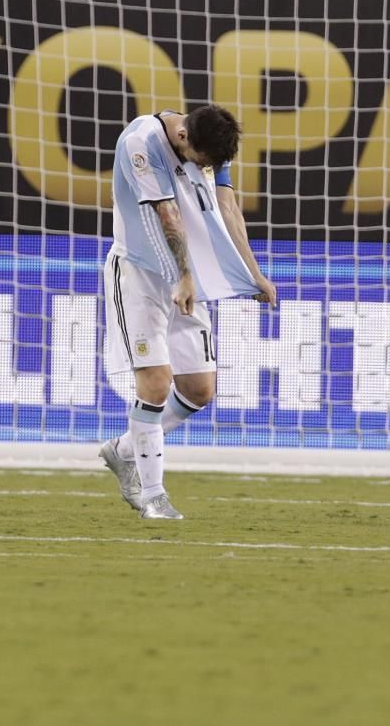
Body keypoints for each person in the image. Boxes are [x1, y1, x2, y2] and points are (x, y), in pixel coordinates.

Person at [99, 105, 277, 519]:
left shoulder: (211, 140)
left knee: (199, 390)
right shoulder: (141, 143)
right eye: (200, 163)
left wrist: (256, 275)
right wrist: (183, 276)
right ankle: (153, 495)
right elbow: (169, 217)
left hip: (187, 279)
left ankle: (125, 450)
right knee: (157, 384)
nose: (206, 170)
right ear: (182, 139)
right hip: (140, 275)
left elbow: (228, 209)